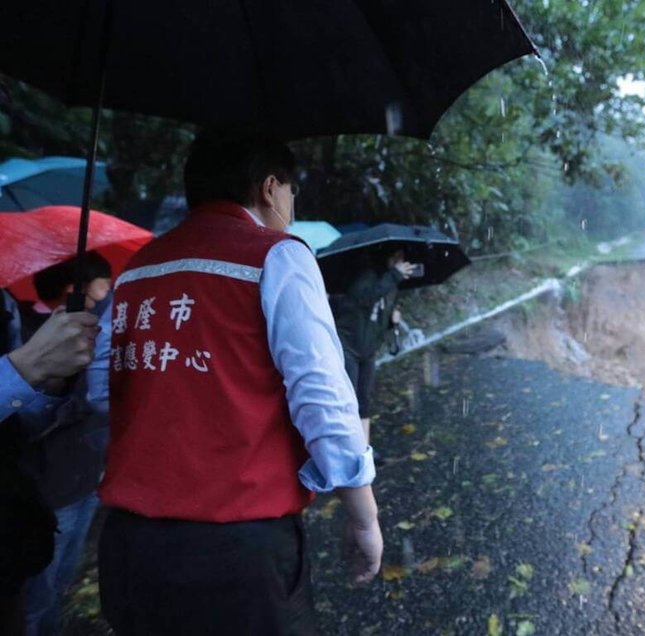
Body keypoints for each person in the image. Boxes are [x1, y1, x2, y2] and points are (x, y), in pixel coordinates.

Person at [97, 130, 382, 636]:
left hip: (131, 550)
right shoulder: (277, 256)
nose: (292, 206)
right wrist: (363, 516)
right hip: (237, 555)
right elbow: (321, 395)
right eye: (292, 192)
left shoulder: (136, 270)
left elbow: (104, 394)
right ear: (270, 188)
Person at [18, 254, 112, 636]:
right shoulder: (23, 332)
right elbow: (22, 422)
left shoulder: (90, 330)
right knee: (34, 594)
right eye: (104, 284)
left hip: (83, 475)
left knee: (60, 584)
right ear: (75, 291)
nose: (108, 293)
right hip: (45, 487)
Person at [0, 290, 99, 636]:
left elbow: (17, 423)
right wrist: (27, 366)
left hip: (13, 534)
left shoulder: (4, 303)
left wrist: (50, 383)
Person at [332, 248, 416, 447]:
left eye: (402, 258)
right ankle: (348, 449)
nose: (399, 261)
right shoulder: (367, 277)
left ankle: (364, 449)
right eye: (395, 257)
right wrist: (394, 275)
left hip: (368, 350)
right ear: (385, 256)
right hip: (349, 346)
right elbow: (363, 300)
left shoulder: (392, 284)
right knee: (348, 400)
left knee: (364, 401)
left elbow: (376, 319)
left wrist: (391, 322)